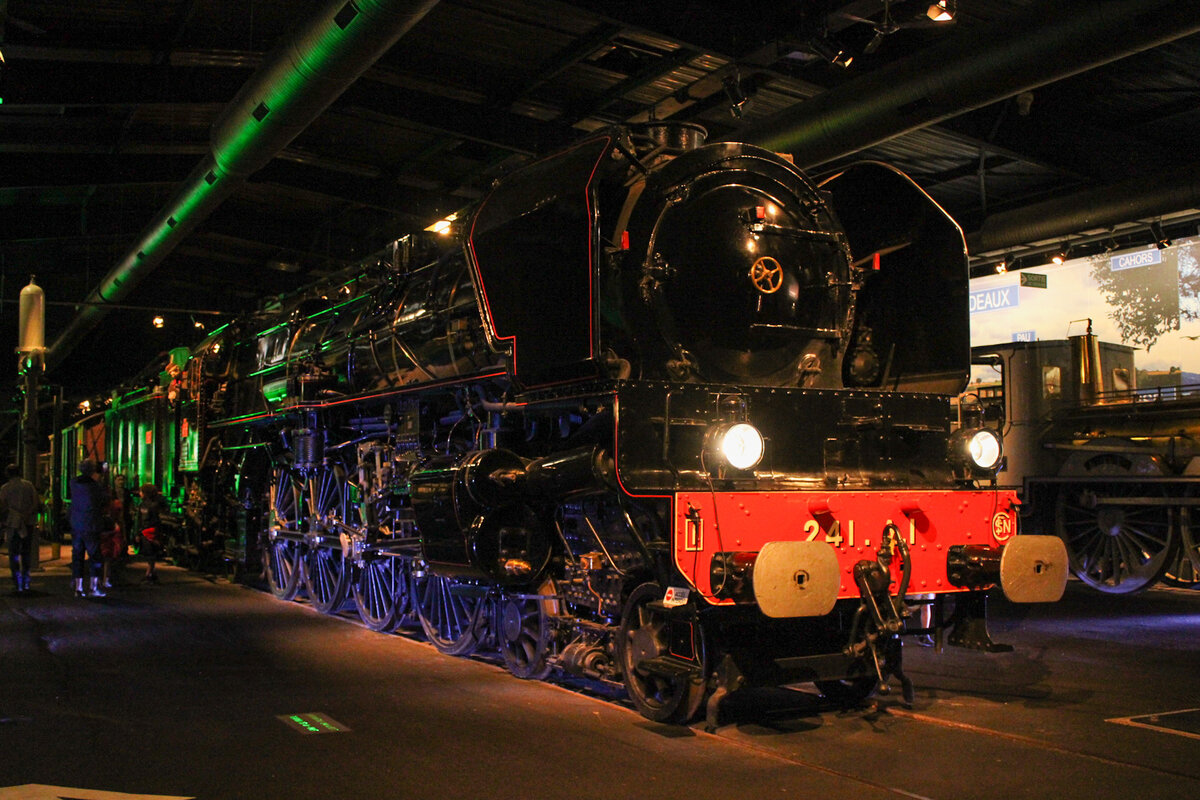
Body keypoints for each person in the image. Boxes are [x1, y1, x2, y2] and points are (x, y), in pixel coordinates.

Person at [0, 463, 40, 594]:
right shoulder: (28, 485)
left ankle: (17, 582)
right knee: (26, 552)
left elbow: (3, 505)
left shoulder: (5, 488)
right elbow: (35, 503)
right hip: (28, 522)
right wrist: (27, 514)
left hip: (13, 523)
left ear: (8, 474)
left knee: (14, 552)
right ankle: (26, 581)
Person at [70, 459, 107, 598]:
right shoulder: (96, 486)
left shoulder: (73, 483)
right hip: (91, 524)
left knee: (77, 556)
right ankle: (93, 587)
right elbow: (102, 501)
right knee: (94, 557)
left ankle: (78, 588)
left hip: (76, 524)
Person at [137, 483, 165, 583]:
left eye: (141, 492)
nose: (139, 493)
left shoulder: (148, 506)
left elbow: (141, 520)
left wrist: (139, 531)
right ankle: (152, 573)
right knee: (150, 553)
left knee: (150, 553)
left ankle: (148, 574)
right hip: (149, 531)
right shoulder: (147, 505)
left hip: (149, 531)